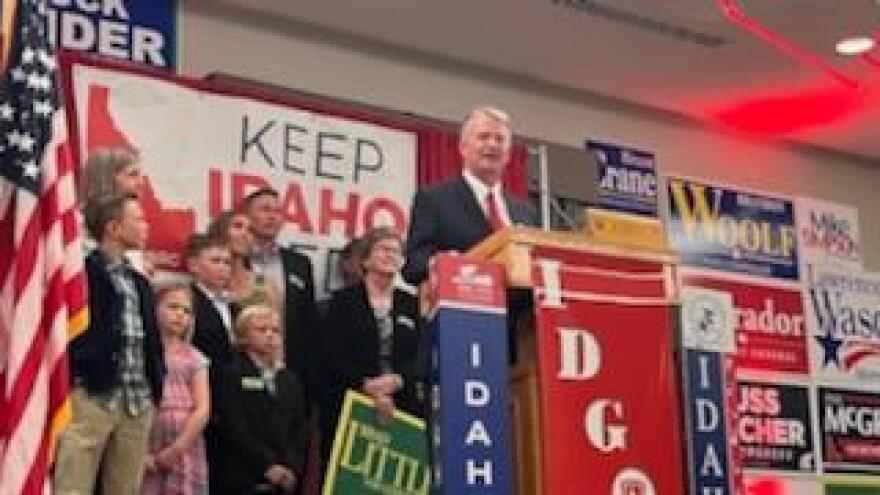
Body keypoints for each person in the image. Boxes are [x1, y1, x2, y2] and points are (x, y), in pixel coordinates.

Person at [55, 193, 165, 495]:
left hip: (137, 398)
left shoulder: (140, 282)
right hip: (94, 393)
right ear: (114, 228)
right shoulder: (85, 273)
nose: (145, 225)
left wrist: (156, 383)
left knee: (126, 486)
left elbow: (150, 339)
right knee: (73, 482)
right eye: (138, 219)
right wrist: (80, 373)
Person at [319, 227, 425, 465]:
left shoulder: (412, 304)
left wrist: (398, 380)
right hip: (352, 401)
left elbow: (422, 354)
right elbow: (331, 354)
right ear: (366, 259)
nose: (390, 255)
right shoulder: (343, 301)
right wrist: (367, 386)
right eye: (383, 249)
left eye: (396, 252)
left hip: (403, 403)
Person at [402, 106, 538, 285]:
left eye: (500, 139)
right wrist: (444, 264)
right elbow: (414, 264)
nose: (492, 144)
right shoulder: (434, 199)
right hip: (464, 305)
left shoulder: (525, 211)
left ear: (508, 154)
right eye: (483, 137)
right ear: (463, 148)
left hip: (518, 310)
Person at [213, 305, 308, 495]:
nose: (270, 335)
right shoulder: (232, 374)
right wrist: (266, 466)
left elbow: (299, 428)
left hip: (285, 478)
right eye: (262, 330)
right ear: (243, 336)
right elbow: (235, 428)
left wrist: (291, 466)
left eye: (275, 330)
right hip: (244, 476)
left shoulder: (289, 378)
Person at [243, 188, 317, 387]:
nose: (272, 217)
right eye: (265, 210)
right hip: (243, 367)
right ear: (246, 217)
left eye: (277, 211)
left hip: (289, 369)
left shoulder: (299, 264)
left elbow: (308, 322)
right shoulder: (234, 259)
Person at [142, 284, 210, 495]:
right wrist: (143, 453)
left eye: (186, 311)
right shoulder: (142, 351)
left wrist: (178, 448)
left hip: (184, 446)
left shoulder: (194, 357)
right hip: (146, 440)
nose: (180, 315)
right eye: (173, 307)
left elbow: (202, 408)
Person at [79, 146, 152, 275]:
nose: (141, 183)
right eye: (132, 175)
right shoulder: (77, 225)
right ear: (105, 177)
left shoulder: (131, 234)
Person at [207, 210, 281, 309]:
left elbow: (277, 323)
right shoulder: (205, 283)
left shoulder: (265, 285)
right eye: (238, 226)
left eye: (250, 230)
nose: (245, 234)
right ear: (220, 232)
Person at [187, 233, 236, 369]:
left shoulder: (234, 306)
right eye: (215, 261)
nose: (223, 268)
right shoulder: (188, 302)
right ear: (193, 265)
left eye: (227, 262)